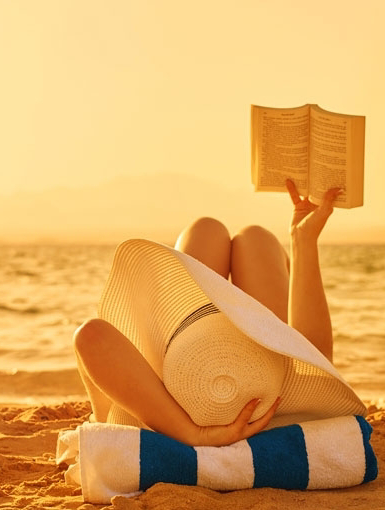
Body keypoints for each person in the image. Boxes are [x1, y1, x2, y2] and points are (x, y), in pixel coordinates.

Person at [74, 179, 357, 447]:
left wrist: (193, 434)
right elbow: (317, 357)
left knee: (208, 229)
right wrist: (303, 239)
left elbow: (91, 336)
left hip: (178, 386)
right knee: (254, 238)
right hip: (260, 378)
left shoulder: (150, 409)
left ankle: (201, 325)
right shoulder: (279, 403)